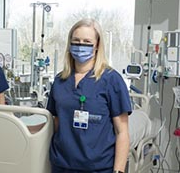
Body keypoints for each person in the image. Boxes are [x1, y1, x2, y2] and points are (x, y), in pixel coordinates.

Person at [46, 18, 131, 173]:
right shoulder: (60, 80)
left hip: (98, 167)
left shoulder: (111, 80)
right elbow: (56, 123)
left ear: (97, 45)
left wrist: (119, 171)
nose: (80, 45)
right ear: (70, 44)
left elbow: (122, 132)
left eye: (87, 41)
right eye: (76, 41)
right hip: (62, 165)